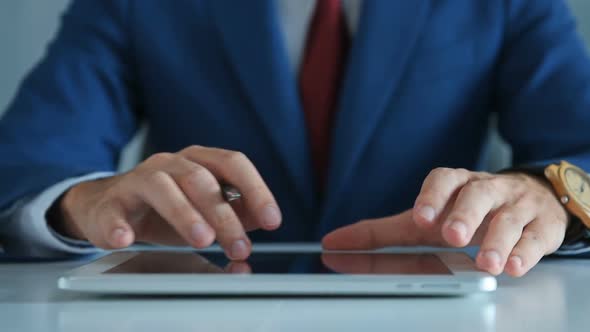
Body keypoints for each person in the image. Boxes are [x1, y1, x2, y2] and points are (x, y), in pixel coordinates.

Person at [1, 0, 590, 277]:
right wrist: (85, 204)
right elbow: (25, 169)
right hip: (199, 315)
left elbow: (580, 150)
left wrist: (546, 194)